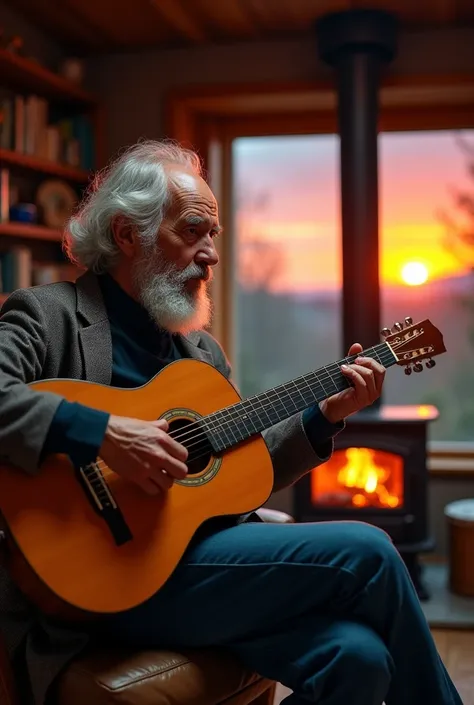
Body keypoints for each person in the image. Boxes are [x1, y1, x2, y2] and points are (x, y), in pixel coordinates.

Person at [0, 139, 462, 705]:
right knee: (368, 550)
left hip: (198, 569)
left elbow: (240, 474)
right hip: (100, 578)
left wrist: (323, 418)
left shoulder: (200, 356)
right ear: (127, 234)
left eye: (213, 235)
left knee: (357, 659)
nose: (212, 253)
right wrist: (103, 434)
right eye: (193, 231)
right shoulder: (46, 314)